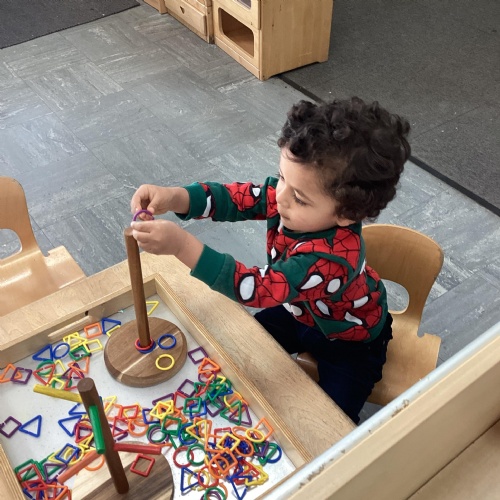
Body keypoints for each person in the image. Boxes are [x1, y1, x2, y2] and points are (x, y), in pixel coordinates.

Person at [130, 97, 411, 424]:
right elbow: (233, 199)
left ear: (348, 214)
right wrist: (177, 197)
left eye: (300, 198)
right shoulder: (288, 196)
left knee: (331, 422)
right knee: (238, 353)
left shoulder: (331, 259)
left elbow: (257, 289)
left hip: (351, 344)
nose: (280, 197)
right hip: (298, 309)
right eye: (282, 177)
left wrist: (181, 246)